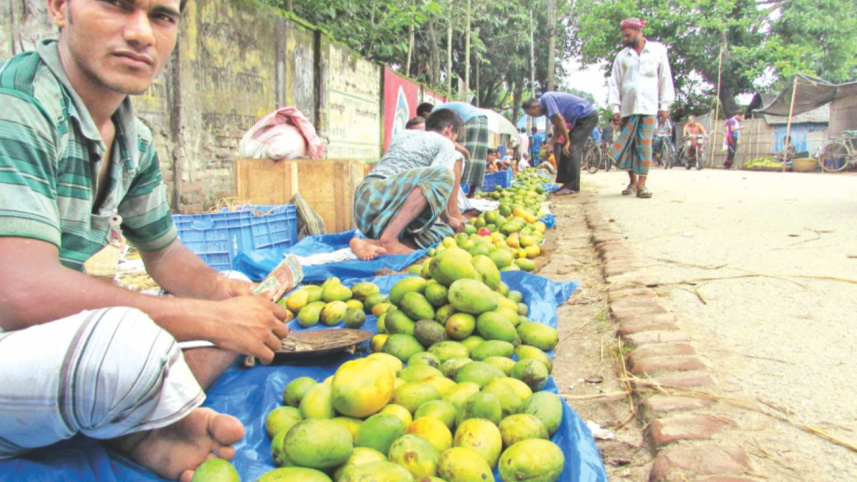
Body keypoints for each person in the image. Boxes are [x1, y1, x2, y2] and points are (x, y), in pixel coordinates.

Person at [0, 1, 286, 480]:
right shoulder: (18, 106)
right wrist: (211, 318)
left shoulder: (135, 137)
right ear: (58, 7)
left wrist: (224, 296)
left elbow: (163, 253)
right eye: (117, 5)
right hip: (16, 328)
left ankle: (134, 427)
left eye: (161, 16)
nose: (141, 34)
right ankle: (136, 422)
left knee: (233, 288)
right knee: (127, 344)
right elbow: (18, 291)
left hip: (46, 349)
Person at [352, 109, 465, 256]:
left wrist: (447, 222)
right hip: (381, 195)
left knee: (442, 231)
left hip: (365, 207)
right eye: (455, 138)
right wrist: (448, 218)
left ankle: (369, 244)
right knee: (445, 175)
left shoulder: (403, 135)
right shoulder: (445, 144)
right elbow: (439, 182)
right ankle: (390, 239)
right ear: (449, 130)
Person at [607, 17, 675, 198]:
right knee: (629, 146)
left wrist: (665, 105)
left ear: (638, 32)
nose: (625, 39)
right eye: (624, 36)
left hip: (649, 107)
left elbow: (664, 78)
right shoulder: (622, 56)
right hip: (628, 109)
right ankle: (632, 181)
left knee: (644, 145)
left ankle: (642, 185)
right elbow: (614, 83)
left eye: (628, 35)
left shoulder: (657, 51)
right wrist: (615, 108)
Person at [522, 92, 599, 196]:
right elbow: (558, 126)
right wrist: (551, 142)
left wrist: (567, 141)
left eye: (532, 114)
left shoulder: (547, 99)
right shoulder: (545, 109)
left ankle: (572, 186)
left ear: (536, 106)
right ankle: (566, 183)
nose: (534, 117)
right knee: (565, 149)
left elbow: (560, 120)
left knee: (571, 148)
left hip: (587, 116)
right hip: (579, 120)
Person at [433, 101, 489, 198]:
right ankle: (471, 193)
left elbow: (447, 135)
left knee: (458, 155)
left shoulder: (435, 112)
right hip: (483, 119)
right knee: (478, 157)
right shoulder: (444, 108)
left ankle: (456, 196)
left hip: (469, 120)